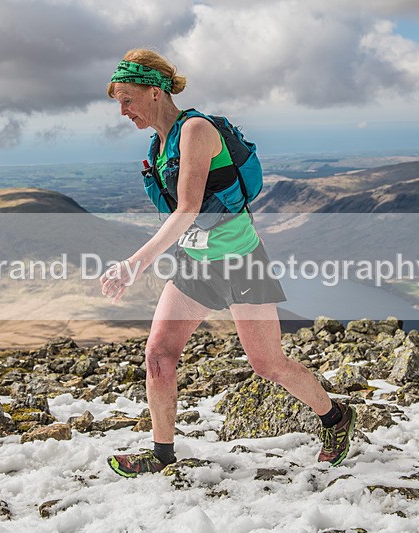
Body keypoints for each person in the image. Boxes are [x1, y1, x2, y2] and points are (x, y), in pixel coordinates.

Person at [101, 49, 356, 477]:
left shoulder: (195, 130)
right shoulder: (159, 145)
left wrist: (135, 263)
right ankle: (161, 453)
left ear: (156, 91)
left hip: (240, 263)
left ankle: (335, 417)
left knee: (268, 364)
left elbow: (187, 209)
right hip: (195, 265)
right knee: (159, 355)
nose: (123, 111)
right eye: (119, 103)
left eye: (127, 99)